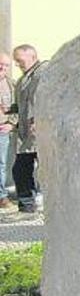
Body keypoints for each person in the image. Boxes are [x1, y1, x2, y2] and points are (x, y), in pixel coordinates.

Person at [7, 45, 46, 213]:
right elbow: (19, 104)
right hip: (26, 133)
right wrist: (9, 114)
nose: (18, 64)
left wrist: (39, 119)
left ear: (32, 56)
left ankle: (32, 202)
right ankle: (27, 205)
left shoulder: (42, 74)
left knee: (40, 167)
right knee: (21, 169)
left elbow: (43, 99)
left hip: (39, 131)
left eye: (20, 60)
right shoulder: (24, 78)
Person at [0, 54, 15, 209]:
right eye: (0, 64)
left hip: (2, 130)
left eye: (5, 65)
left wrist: (12, 124)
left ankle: (1, 196)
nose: (2, 68)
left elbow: (18, 107)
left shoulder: (12, 85)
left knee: (1, 164)